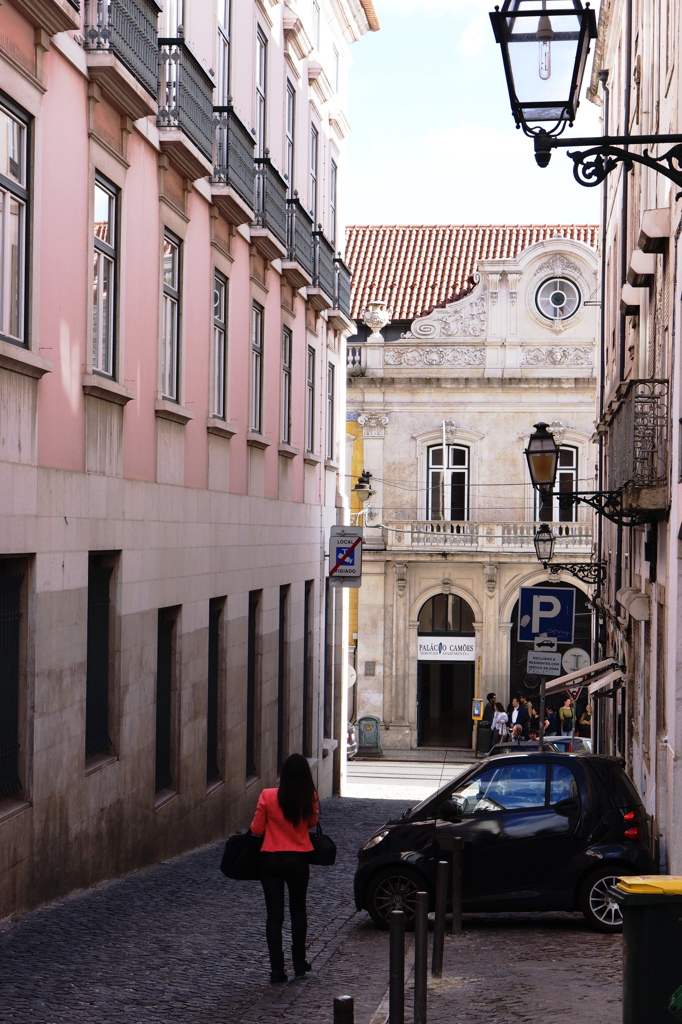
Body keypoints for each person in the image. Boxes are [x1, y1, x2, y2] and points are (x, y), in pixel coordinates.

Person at [250, 753, 319, 984]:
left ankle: (277, 970)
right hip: (298, 860)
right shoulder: (309, 797)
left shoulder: (267, 796)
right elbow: (311, 824)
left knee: (274, 917)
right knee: (298, 911)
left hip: (271, 860)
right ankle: (299, 963)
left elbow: (257, 829)